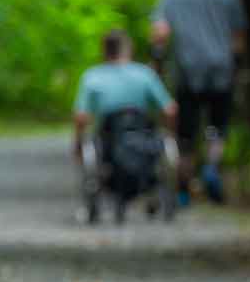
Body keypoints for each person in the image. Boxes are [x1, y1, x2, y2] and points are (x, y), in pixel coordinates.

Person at [149, 0, 248, 205]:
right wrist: (236, 63)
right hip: (221, 67)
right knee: (217, 125)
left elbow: (160, 31)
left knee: (186, 132)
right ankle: (212, 167)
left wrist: (157, 61)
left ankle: (183, 187)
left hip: (186, 68)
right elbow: (238, 34)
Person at [72, 29, 177, 220]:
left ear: (104, 50)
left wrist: (78, 143)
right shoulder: (145, 74)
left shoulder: (92, 77)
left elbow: (80, 117)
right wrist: (169, 132)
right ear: (127, 49)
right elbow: (169, 109)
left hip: (108, 141)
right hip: (145, 138)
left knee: (101, 146)